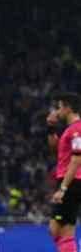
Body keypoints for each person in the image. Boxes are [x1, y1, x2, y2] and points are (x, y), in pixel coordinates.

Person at [48, 92, 81, 252]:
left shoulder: (77, 130)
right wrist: (51, 128)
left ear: (68, 108)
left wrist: (63, 188)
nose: (58, 111)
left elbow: (77, 160)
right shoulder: (69, 130)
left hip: (72, 182)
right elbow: (54, 149)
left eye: (60, 107)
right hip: (68, 181)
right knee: (57, 230)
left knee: (63, 229)